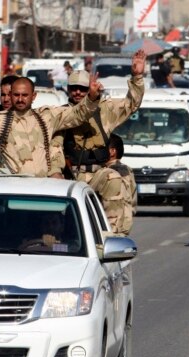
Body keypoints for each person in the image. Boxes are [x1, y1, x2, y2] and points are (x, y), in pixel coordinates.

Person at [60, 50, 146, 235]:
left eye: (82, 88)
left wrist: (137, 76)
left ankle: (116, 235)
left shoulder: (104, 109)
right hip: (71, 175)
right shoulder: (61, 114)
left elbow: (132, 104)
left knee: (122, 175)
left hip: (98, 172)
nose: (77, 92)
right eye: (73, 87)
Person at [0, 76, 101, 178]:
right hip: (14, 187)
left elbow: (77, 114)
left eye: (25, 95)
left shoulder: (46, 116)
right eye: (16, 95)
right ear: (11, 95)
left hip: (43, 186)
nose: (20, 99)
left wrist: (91, 97)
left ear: (33, 96)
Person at [105, 134, 136, 235]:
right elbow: (133, 200)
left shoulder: (110, 172)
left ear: (112, 151)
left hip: (113, 225)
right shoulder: (127, 170)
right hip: (124, 224)